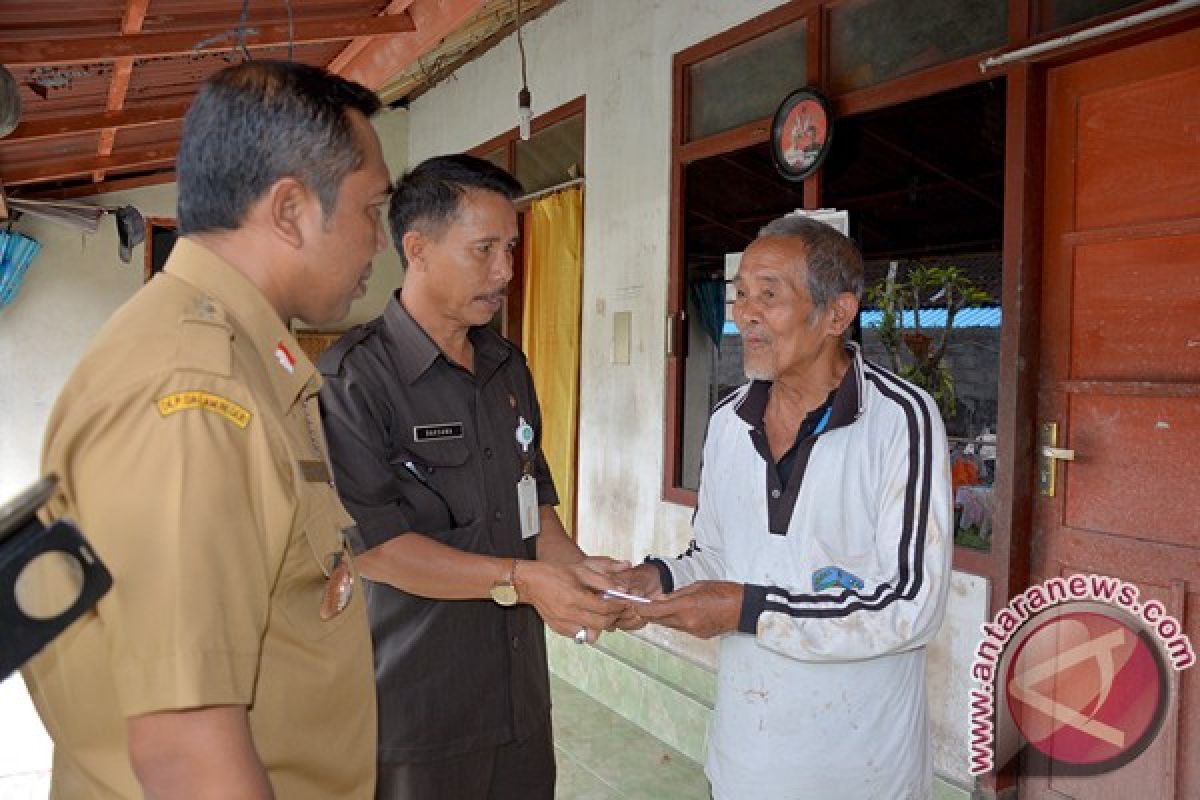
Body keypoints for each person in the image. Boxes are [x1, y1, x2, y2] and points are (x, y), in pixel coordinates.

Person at [23, 60, 392, 799]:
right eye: (370, 210)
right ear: (290, 210)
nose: (377, 243)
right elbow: (186, 755)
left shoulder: (240, 359)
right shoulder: (195, 395)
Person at [318, 154, 627, 800]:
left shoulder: (507, 367)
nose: (506, 271)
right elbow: (377, 550)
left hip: (518, 704)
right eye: (485, 249)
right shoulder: (355, 379)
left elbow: (532, 503)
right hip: (416, 708)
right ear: (419, 249)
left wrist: (577, 574)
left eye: (510, 249)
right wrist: (522, 579)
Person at [620, 214, 952, 799]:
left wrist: (748, 611)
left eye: (768, 296)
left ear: (836, 314)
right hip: (746, 759)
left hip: (860, 770)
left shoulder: (901, 419)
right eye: (741, 294)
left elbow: (910, 603)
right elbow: (718, 556)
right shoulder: (729, 423)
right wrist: (656, 580)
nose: (745, 313)